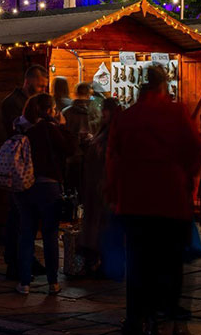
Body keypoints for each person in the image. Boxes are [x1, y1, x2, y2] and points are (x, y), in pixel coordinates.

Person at [107, 64, 201, 335]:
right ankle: (169, 316)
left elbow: (113, 158)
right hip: (170, 200)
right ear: (164, 86)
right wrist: (187, 180)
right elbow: (195, 149)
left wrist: (113, 194)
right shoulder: (176, 113)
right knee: (171, 262)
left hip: (134, 200)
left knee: (138, 262)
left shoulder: (126, 117)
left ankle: (137, 317)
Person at [12, 92, 77, 295]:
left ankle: (24, 282)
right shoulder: (48, 129)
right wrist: (63, 126)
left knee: (26, 234)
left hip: (25, 185)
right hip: (49, 187)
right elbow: (70, 148)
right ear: (49, 111)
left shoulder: (21, 127)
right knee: (49, 234)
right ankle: (53, 283)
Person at [0, 65, 49, 280]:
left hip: (28, 163)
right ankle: (14, 260)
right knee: (17, 214)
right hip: (18, 165)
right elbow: (17, 130)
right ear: (28, 81)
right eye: (39, 85)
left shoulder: (28, 101)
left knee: (26, 216)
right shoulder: (12, 103)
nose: (41, 89)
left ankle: (27, 259)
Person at [77, 97, 122, 279]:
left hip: (104, 186)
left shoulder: (113, 132)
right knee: (97, 224)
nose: (102, 113)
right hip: (96, 186)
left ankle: (103, 262)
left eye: (106, 110)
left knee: (102, 224)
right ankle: (96, 261)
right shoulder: (104, 131)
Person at [62, 82, 98, 201]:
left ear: (75, 93)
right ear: (89, 94)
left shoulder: (66, 112)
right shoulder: (97, 112)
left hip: (72, 157)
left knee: (72, 192)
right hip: (93, 157)